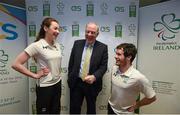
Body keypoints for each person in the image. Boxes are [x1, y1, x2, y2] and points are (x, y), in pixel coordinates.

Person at [11, 17, 62, 114]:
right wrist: (35, 75)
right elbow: (16, 64)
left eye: (58, 29)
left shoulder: (57, 44)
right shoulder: (37, 45)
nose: (58, 31)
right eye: (55, 28)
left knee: (56, 111)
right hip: (45, 86)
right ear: (45, 28)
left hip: (57, 83)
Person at [68, 22, 108, 114]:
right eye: (87, 32)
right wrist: (70, 77)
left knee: (91, 110)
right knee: (74, 109)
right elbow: (71, 63)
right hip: (76, 82)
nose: (89, 34)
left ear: (97, 34)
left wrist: (94, 76)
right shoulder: (77, 43)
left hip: (92, 84)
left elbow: (103, 66)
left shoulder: (103, 47)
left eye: (93, 32)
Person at [108, 43, 156, 114]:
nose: (115, 56)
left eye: (119, 54)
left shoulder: (138, 77)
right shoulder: (114, 68)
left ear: (129, 57)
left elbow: (152, 97)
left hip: (124, 113)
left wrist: (136, 105)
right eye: (116, 54)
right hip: (111, 107)